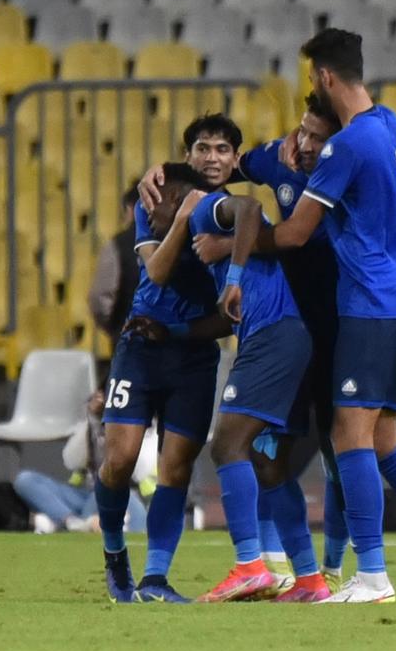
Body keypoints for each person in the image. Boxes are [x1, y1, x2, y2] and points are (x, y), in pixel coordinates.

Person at [204, 27, 396, 604]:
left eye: (313, 78)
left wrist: (231, 245)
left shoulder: (345, 148)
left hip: (369, 305)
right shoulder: (387, 125)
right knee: (381, 436)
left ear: (326, 77)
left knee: (348, 434)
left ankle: (372, 575)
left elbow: (294, 234)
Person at [146, 162, 319, 603]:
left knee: (226, 445)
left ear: (177, 197)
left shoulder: (205, 209)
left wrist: (235, 275)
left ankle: (249, 567)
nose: (148, 214)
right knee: (267, 463)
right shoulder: (204, 237)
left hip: (273, 338)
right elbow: (228, 318)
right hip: (283, 336)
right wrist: (173, 332)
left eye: (154, 204)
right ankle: (310, 580)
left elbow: (248, 207)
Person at [94, 113, 242, 605]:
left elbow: (231, 316)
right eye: (203, 148)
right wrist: (182, 216)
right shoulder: (154, 197)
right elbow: (155, 272)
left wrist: (177, 329)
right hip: (140, 347)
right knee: (119, 460)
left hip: (194, 354)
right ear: (187, 154)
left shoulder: (236, 216)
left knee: (175, 468)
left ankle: (155, 578)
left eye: (222, 149)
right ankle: (115, 553)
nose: (212, 157)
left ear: (235, 159)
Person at [15, 389, 148, 534]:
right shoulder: (93, 425)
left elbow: (141, 470)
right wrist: (91, 421)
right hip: (86, 495)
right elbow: (71, 460)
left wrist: (119, 425)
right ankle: (72, 522)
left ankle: (66, 523)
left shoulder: (141, 421)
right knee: (26, 480)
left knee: (135, 523)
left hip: (124, 494)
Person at [86, 184, 141, 349]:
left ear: (130, 208)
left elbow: (100, 296)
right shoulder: (180, 241)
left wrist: (114, 326)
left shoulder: (118, 245)